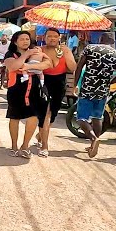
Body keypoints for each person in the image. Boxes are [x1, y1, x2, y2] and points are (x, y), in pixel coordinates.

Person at [75, 39, 116, 159]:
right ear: (112, 42)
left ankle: (94, 138)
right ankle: (94, 143)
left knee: (81, 118)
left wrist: (76, 84)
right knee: (97, 117)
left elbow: (79, 67)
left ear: (100, 40)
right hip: (103, 90)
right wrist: (108, 83)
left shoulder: (90, 48)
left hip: (87, 87)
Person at [3, 30, 49, 158]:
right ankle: (14, 146)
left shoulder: (36, 51)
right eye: (22, 39)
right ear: (15, 42)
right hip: (16, 89)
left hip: (34, 89)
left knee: (33, 116)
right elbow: (13, 67)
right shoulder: (10, 54)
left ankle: (25, 145)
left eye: (27, 39)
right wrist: (26, 56)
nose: (25, 41)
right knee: (15, 117)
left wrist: (31, 66)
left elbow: (48, 63)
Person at [37, 29, 78, 157]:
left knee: (53, 113)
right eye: (49, 36)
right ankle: (45, 146)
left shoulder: (64, 50)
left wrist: (65, 53)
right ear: (44, 37)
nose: (52, 39)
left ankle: (41, 134)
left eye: (55, 36)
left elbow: (73, 68)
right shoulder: (40, 49)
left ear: (59, 38)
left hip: (59, 82)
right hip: (43, 81)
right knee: (45, 113)